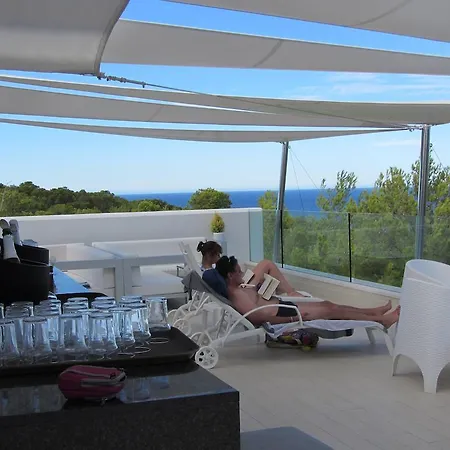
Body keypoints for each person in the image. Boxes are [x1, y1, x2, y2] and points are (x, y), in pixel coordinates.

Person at [215, 256, 400, 328]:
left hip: (283, 305)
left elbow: (265, 266)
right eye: (238, 271)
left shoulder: (238, 288)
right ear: (230, 275)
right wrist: (293, 318)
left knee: (329, 305)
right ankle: (382, 320)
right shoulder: (237, 295)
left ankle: (374, 312)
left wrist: (259, 289)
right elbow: (258, 318)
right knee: (331, 310)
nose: (242, 273)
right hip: (285, 313)